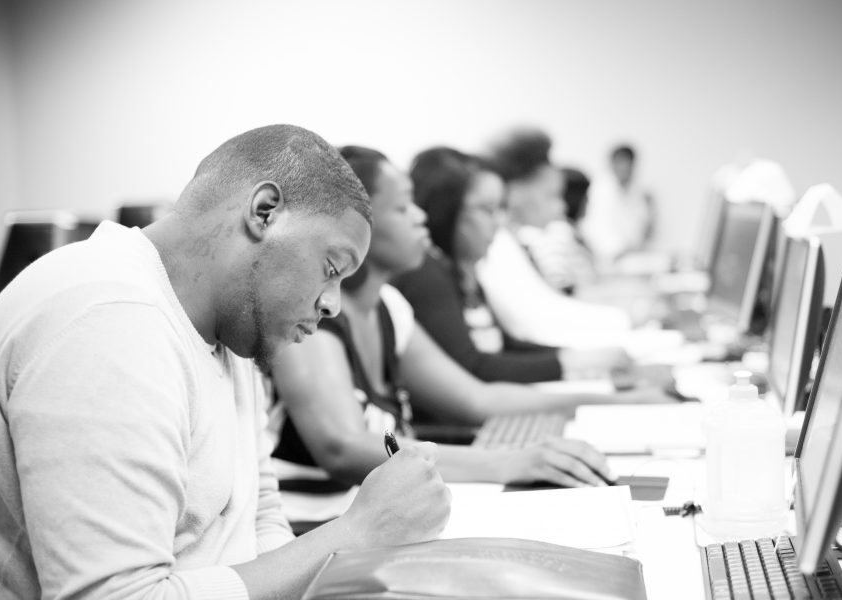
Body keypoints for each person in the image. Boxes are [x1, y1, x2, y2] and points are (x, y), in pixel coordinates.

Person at [0, 125, 450, 600]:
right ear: (265, 212)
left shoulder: (226, 326)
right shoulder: (107, 322)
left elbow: (257, 516)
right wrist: (354, 533)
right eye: (331, 267)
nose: (333, 305)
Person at [271, 145, 668, 489]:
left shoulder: (390, 307)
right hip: (325, 528)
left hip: (386, 514)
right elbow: (344, 445)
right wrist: (507, 463)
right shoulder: (311, 316)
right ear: (356, 222)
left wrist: (608, 401)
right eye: (402, 207)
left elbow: (475, 398)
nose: (420, 218)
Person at [391, 146, 627, 384]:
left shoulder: (462, 273)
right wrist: (565, 363)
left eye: (499, 209)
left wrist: (571, 357)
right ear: (447, 210)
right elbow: (472, 366)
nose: (499, 222)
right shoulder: (426, 275)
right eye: (487, 210)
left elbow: (503, 344)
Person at [474, 127, 635, 348]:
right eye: (550, 195)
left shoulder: (513, 241)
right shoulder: (497, 245)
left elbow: (549, 306)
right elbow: (534, 322)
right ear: (515, 190)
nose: (560, 208)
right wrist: (625, 320)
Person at [579, 144, 656, 265]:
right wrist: (619, 250)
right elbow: (597, 226)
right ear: (612, 164)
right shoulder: (600, 189)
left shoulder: (638, 192)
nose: (624, 167)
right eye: (620, 163)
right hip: (607, 255)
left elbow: (644, 227)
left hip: (632, 255)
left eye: (628, 163)